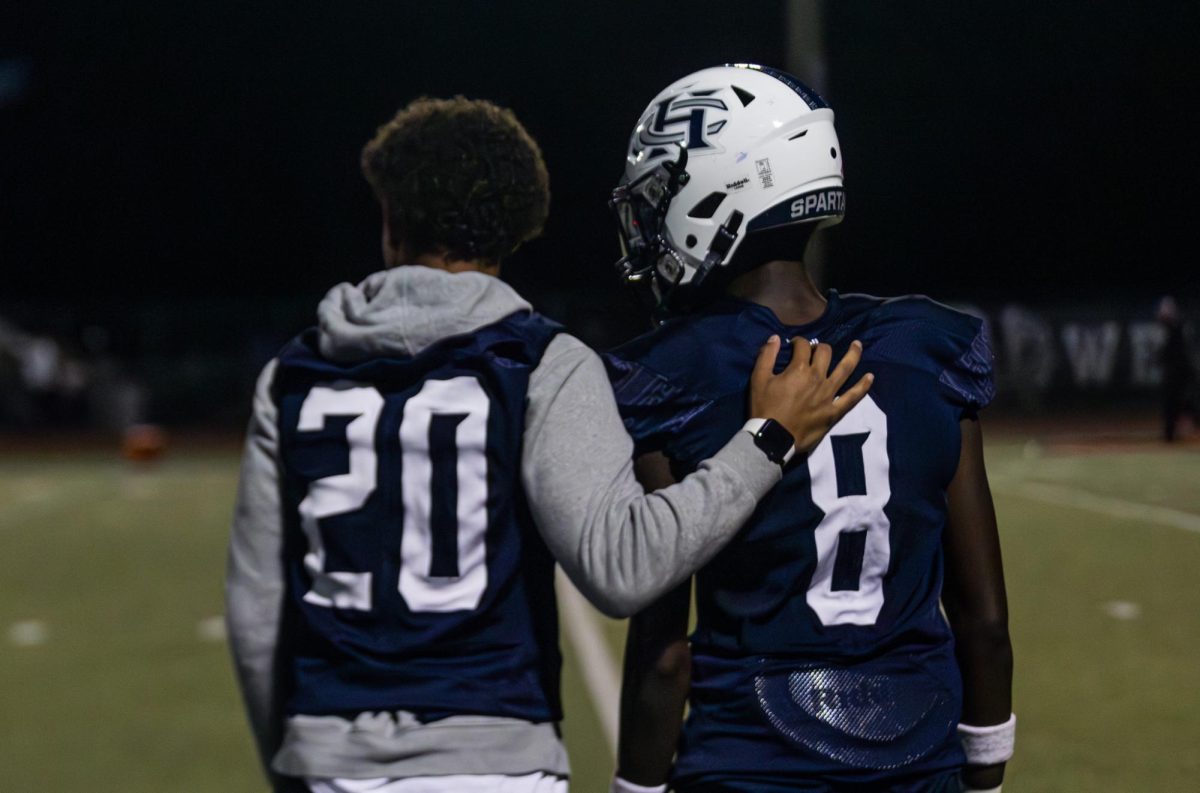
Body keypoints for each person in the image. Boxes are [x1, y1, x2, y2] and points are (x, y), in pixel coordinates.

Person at [224, 95, 873, 793]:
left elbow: (258, 614)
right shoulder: (541, 362)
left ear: (389, 219)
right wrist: (766, 441)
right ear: (519, 226)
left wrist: (294, 761)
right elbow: (623, 567)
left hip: (327, 760)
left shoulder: (291, 376)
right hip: (494, 758)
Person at [604, 65, 1014, 793]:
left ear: (717, 194)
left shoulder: (675, 374)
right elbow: (981, 619)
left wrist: (636, 784)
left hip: (748, 760)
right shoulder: (927, 350)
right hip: (918, 761)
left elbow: (665, 651)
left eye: (662, 192)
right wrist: (981, 767)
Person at [1157, 295, 1195, 442]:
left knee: (1176, 401)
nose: (1162, 316)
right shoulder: (1173, 328)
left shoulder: (1177, 328)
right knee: (1175, 401)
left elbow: (1175, 351)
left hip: (1179, 370)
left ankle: (1171, 433)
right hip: (1178, 370)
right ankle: (1170, 432)